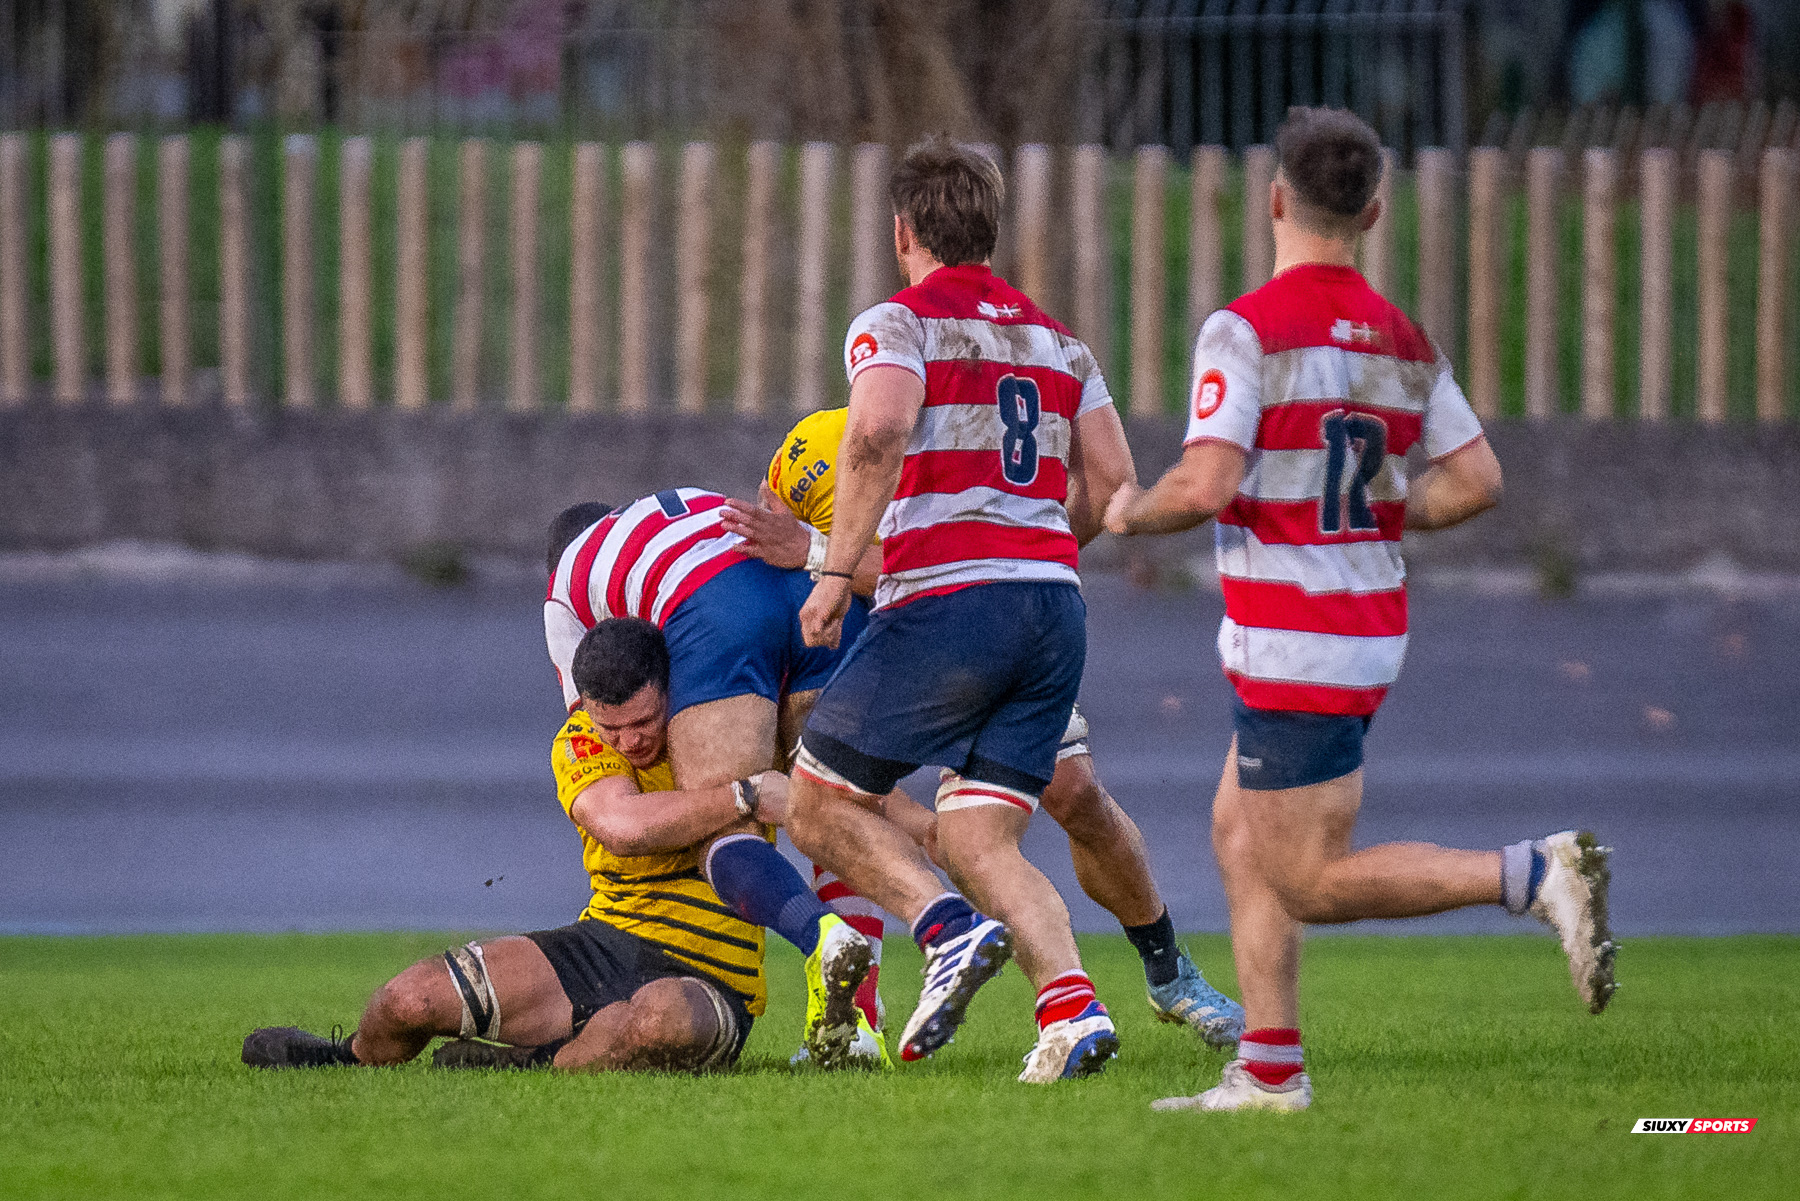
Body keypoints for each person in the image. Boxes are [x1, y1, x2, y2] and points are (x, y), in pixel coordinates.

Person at [1103, 107, 1616, 1113]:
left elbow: (1205, 483)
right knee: (1236, 831)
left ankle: (1533, 871)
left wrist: (1129, 511)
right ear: (1373, 209)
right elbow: (1476, 479)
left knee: (1305, 879)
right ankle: (1269, 1068)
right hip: (1358, 625)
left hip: (1297, 639)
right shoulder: (1401, 340)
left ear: (1276, 198)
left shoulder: (1244, 328)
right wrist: (1389, 510)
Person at [780, 137, 1136, 1082]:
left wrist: (832, 571)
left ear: (903, 231)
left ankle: (943, 929)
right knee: (979, 832)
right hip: (1053, 612)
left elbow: (881, 429)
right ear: (989, 229)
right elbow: (1113, 483)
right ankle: (1069, 1011)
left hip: (949, 602)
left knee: (815, 802)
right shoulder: (1061, 342)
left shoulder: (897, 323)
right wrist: (1039, 552)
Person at [722, 406, 1245, 1047]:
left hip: (977, 629)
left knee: (1074, 795)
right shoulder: (822, 438)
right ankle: (868, 1016)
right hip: (883, 645)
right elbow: (776, 512)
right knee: (839, 803)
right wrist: (801, 556)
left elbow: (929, 570)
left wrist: (816, 552)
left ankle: (1167, 971)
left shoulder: (966, 447)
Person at [242, 618, 826, 1074]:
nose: (630, 740)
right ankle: (352, 1062)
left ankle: (531, 1061)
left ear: (670, 689)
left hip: (711, 975)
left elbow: (838, 778)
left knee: (655, 1024)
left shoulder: (728, 720)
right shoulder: (578, 739)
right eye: (611, 727)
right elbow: (623, 827)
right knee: (407, 1005)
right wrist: (747, 794)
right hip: (604, 942)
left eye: (645, 721)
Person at [542, 494, 903, 1068]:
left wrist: (694, 791)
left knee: (729, 812)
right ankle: (864, 1013)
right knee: (836, 804)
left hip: (722, 613)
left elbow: (596, 723)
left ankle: (824, 940)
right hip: (817, 597)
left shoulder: (573, 589)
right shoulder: (684, 522)